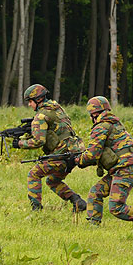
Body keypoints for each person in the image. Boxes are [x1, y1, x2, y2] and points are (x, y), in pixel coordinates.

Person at [75, 96, 133, 228]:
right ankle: (93, 227)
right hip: (124, 169)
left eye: (90, 115)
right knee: (95, 193)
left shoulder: (101, 127)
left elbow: (92, 155)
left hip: (125, 170)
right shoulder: (115, 124)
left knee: (116, 207)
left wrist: (77, 160)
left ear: (94, 114)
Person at [12, 84, 87, 212]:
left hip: (61, 155)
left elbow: (38, 141)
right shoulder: (57, 108)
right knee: (53, 181)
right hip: (74, 153)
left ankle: (36, 210)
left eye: (30, 101)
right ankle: (78, 202)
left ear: (38, 99)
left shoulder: (40, 116)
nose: (29, 105)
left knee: (33, 174)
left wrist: (19, 143)